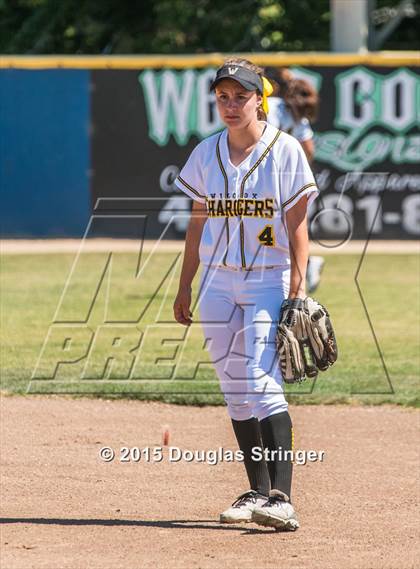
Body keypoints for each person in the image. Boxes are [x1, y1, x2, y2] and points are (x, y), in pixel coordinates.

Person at [173, 58, 319, 531]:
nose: (232, 105)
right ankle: (257, 490)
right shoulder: (206, 152)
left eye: (241, 96)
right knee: (235, 389)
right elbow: (196, 224)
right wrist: (184, 285)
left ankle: (282, 498)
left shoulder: (285, 150)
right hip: (216, 281)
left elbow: (298, 224)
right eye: (223, 96)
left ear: (261, 99)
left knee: (260, 378)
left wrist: (297, 287)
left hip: (267, 277)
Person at [266, 67, 324, 293]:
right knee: (279, 232)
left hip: (275, 182)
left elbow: (307, 149)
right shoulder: (276, 109)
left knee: (280, 232)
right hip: (276, 180)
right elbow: (309, 151)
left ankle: (305, 267)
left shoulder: (284, 113)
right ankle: (308, 265)